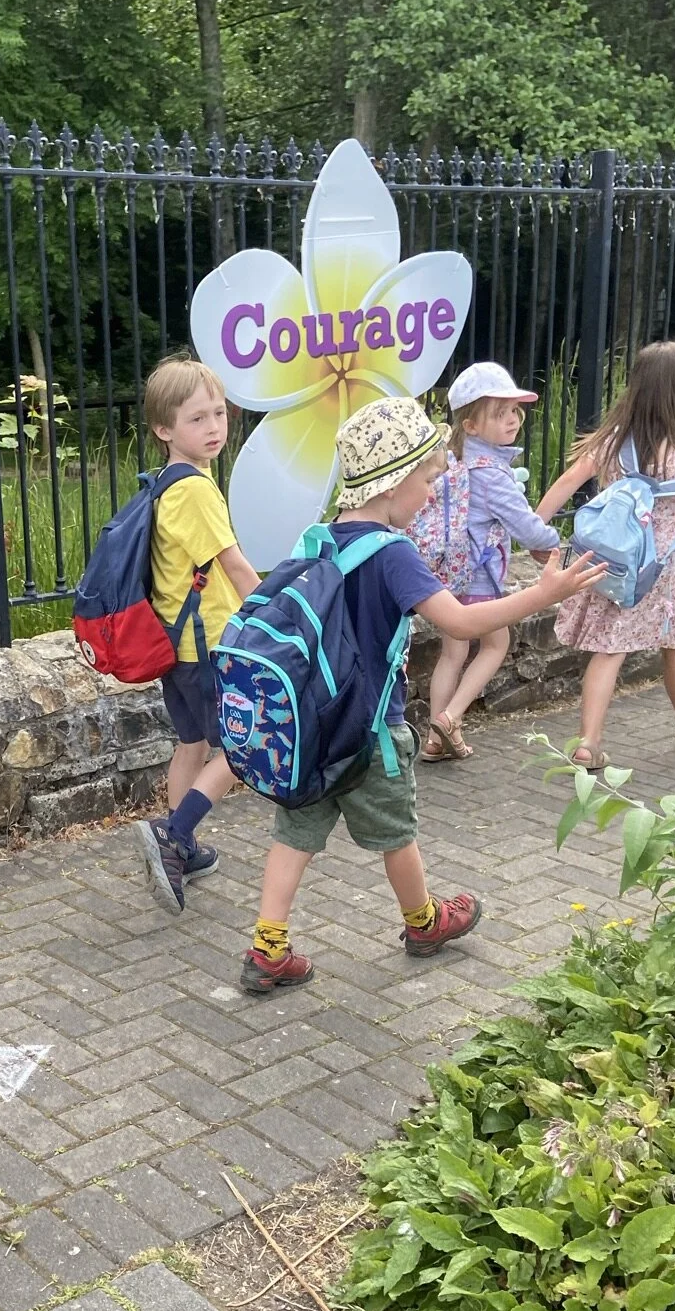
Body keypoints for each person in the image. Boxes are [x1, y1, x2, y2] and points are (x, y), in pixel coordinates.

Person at [239, 397, 607, 994]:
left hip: (312, 725)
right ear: (393, 483)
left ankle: (267, 947)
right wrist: (545, 594)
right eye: (429, 480)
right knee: (397, 833)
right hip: (370, 730)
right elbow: (461, 622)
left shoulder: (316, 538)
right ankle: (424, 922)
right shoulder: (392, 553)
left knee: (295, 833)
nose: (432, 493)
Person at [534, 340, 675, 771]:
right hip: (666, 566)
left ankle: (588, 742)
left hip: (618, 560)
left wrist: (537, 529)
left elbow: (569, 480)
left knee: (609, 649)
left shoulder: (614, 441)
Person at [133, 356, 260, 914]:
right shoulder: (195, 490)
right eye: (197, 418)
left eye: (219, 414)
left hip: (177, 646)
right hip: (208, 646)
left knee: (192, 743)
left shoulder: (168, 482)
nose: (214, 427)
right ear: (164, 429)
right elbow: (234, 565)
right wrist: (281, 614)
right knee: (240, 746)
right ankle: (174, 834)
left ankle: (181, 848)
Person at [417, 362, 561, 762]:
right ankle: (450, 717)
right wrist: (552, 544)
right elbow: (528, 528)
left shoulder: (452, 461)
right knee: (498, 644)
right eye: (499, 413)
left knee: (452, 654)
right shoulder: (492, 474)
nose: (512, 419)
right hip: (477, 576)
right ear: (471, 425)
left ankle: (435, 739)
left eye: (514, 410)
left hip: (447, 576)